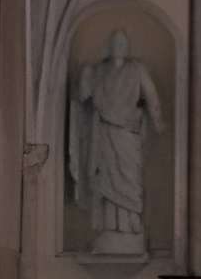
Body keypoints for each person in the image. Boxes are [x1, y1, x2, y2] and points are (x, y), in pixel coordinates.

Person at [68, 31, 165, 255]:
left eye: (122, 43)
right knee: (106, 181)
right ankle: (108, 226)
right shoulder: (99, 70)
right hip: (104, 134)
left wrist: (158, 121)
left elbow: (151, 96)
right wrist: (84, 76)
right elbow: (83, 96)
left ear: (127, 47)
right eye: (115, 43)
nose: (118, 47)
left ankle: (130, 225)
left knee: (129, 178)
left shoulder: (137, 69)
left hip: (127, 135)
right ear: (109, 47)